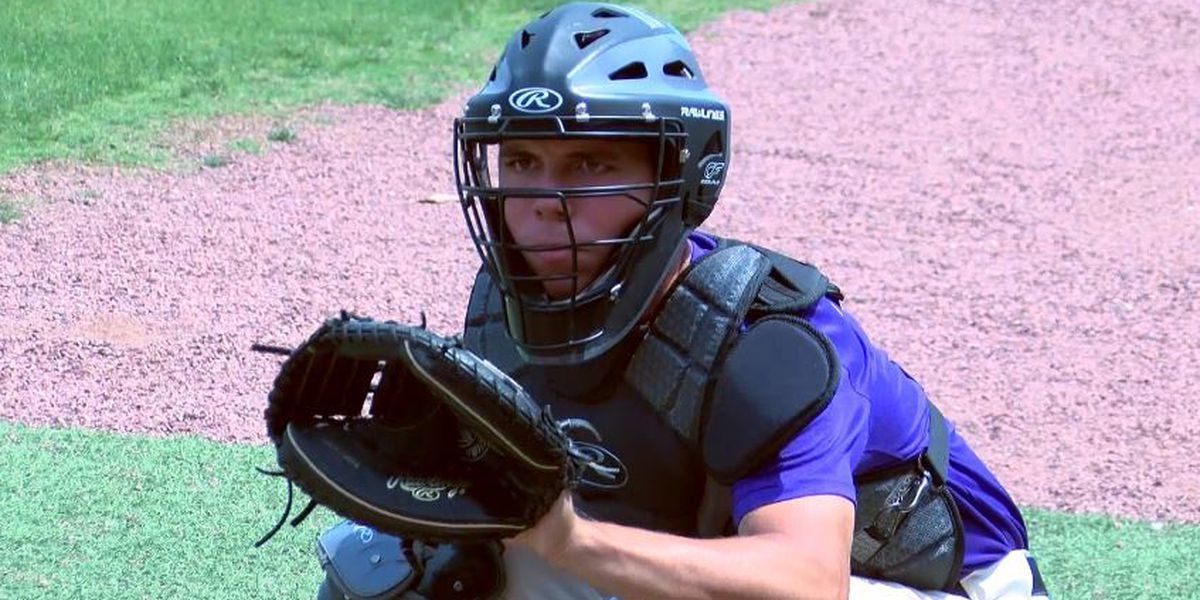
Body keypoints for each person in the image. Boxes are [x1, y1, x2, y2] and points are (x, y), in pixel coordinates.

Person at [315, 2, 1049, 599]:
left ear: (683, 175)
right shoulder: (504, 312)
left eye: (591, 164)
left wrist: (571, 541)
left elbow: (804, 582)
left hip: (931, 587)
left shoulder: (771, 343)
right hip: (720, 553)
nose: (543, 201)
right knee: (399, 565)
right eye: (525, 160)